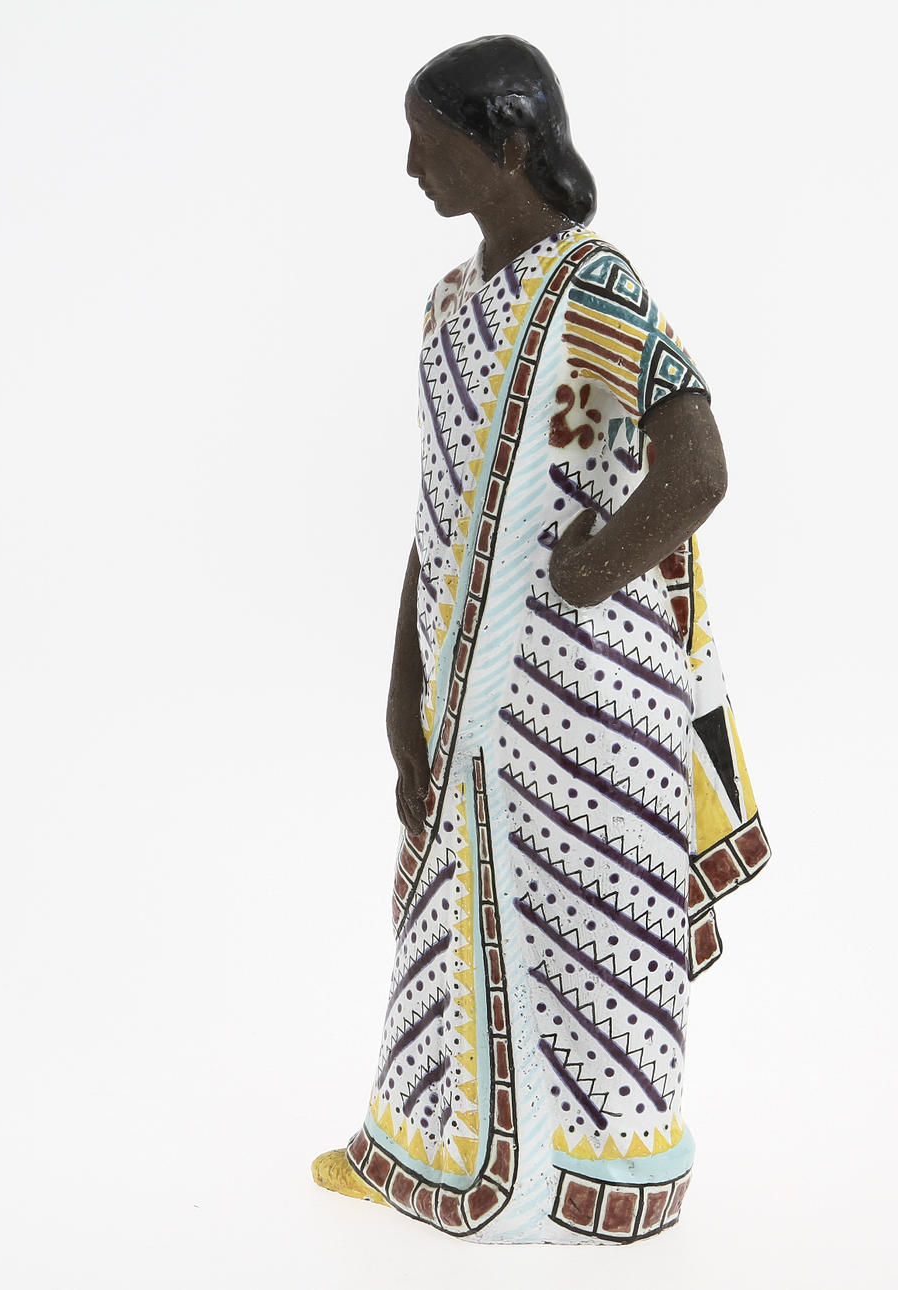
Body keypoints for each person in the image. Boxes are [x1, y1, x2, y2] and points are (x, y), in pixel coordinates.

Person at [311, 34, 770, 1245]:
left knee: (594, 930)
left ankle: (607, 1185)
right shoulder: (447, 303)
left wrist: (581, 570)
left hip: (592, 691)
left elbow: (698, 465)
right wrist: (402, 694)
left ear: (508, 145)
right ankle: (424, 1151)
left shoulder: (596, 286)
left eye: (432, 142)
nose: (412, 167)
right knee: (455, 907)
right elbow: (436, 512)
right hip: (467, 677)